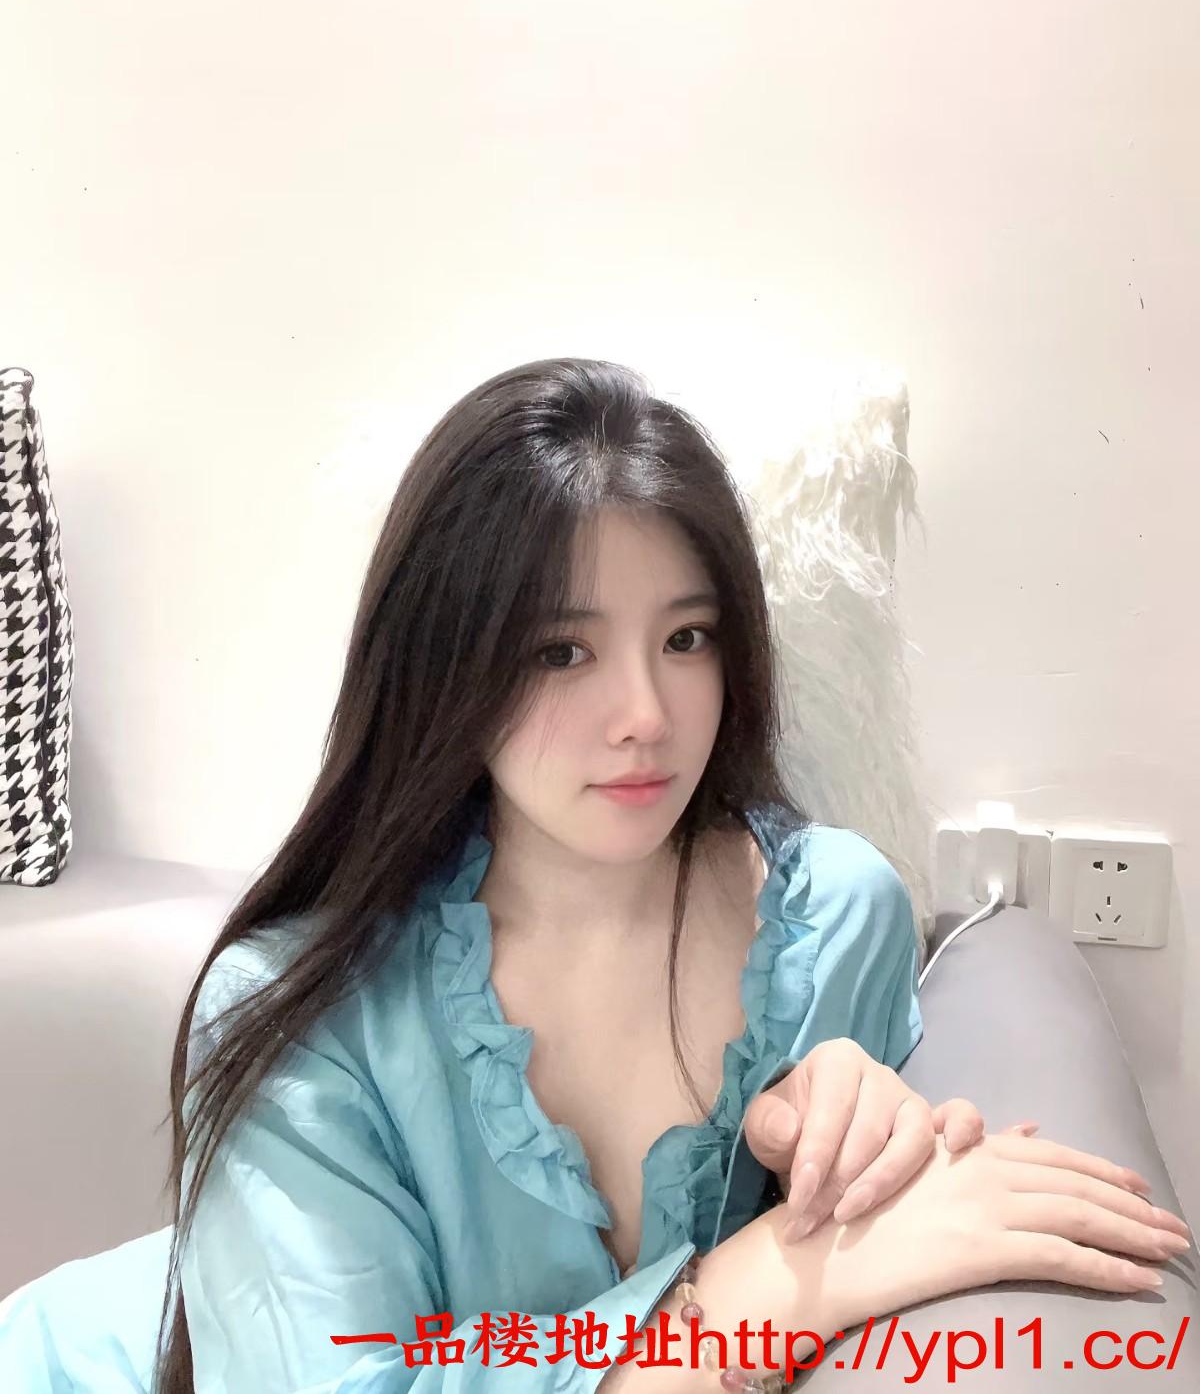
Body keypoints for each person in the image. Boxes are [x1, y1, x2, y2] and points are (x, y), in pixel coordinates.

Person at [0, 358, 1187, 1394]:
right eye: (560, 650)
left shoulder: (838, 919)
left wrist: (858, 1134)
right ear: (446, 667)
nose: (645, 715)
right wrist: (760, 1286)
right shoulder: (298, 1010)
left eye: (687, 638)